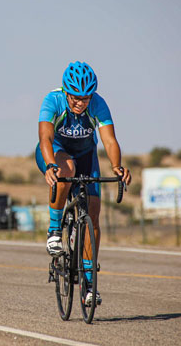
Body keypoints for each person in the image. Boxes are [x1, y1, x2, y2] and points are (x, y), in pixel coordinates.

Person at [36, 61, 131, 306]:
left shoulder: (98, 104)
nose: (80, 103)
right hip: (55, 152)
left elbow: (109, 140)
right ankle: (55, 230)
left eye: (85, 98)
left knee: (94, 213)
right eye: (76, 98)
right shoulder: (53, 100)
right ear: (66, 91)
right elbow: (45, 136)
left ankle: (89, 283)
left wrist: (117, 166)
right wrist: (50, 165)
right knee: (66, 168)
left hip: (86, 155)